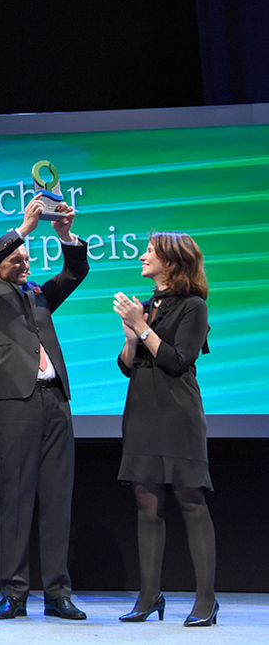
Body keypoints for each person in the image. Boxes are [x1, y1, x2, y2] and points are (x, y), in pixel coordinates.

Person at [0, 196, 89, 621]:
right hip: (13, 403)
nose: (26, 265)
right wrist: (23, 228)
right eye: (17, 259)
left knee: (58, 497)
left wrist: (65, 236)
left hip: (54, 399)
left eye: (28, 260)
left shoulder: (36, 295)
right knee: (16, 498)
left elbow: (76, 271)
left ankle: (57, 592)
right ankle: (15, 593)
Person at [112, 232, 217, 627]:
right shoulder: (147, 306)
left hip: (177, 413)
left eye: (151, 252)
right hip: (141, 411)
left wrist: (142, 329)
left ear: (171, 262)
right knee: (146, 502)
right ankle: (149, 595)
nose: (142, 256)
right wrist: (130, 338)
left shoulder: (194, 307)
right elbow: (126, 365)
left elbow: (177, 361)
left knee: (190, 500)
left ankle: (205, 600)